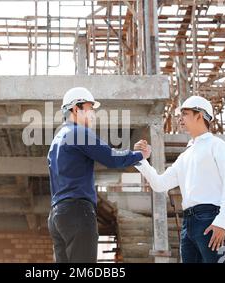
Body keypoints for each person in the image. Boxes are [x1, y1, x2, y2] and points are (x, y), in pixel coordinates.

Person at [47, 87, 150, 263]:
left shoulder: (57, 139)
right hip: (77, 212)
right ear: (75, 109)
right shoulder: (79, 133)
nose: (93, 113)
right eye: (89, 108)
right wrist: (140, 155)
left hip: (57, 216)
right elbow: (111, 158)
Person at [134, 96, 225, 263]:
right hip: (188, 222)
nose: (179, 118)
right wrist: (141, 160)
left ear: (200, 115)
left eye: (185, 113)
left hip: (210, 218)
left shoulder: (217, 146)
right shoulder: (185, 155)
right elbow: (160, 184)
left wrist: (222, 221)